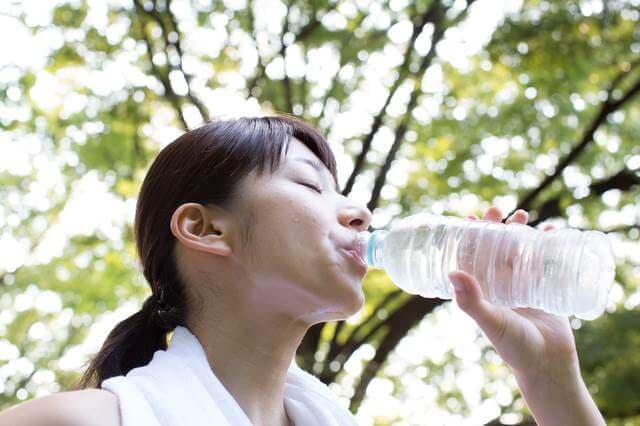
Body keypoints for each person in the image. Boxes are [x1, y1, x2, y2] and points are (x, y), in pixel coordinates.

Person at [0, 115, 605, 426]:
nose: (361, 212)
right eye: (311, 186)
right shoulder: (89, 421)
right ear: (206, 229)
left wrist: (550, 378)